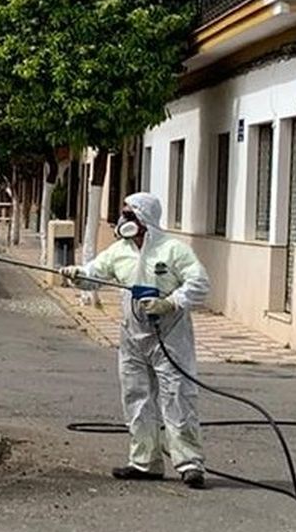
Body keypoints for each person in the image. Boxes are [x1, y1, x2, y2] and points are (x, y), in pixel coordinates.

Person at [61, 192, 211, 489]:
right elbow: (95, 273)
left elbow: (199, 283)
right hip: (132, 337)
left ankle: (190, 463)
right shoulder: (119, 251)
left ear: (145, 218)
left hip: (169, 337)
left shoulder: (172, 250)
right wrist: (78, 274)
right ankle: (145, 462)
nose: (123, 219)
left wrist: (170, 302)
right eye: (123, 214)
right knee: (136, 398)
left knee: (178, 398)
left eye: (129, 214)